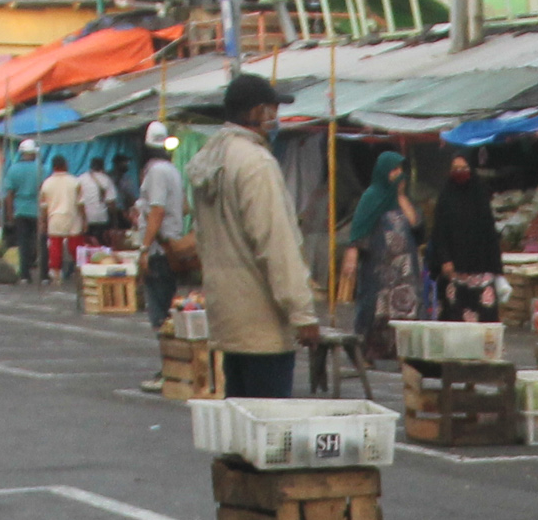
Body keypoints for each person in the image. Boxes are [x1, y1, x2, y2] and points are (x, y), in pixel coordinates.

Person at [193, 70, 319, 399]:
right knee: (269, 433)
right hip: (262, 323)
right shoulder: (256, 164)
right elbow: (277, 243)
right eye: (271, 109)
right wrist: (302, 311)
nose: (276, 117)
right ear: (254, 113)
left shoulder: (210, 157)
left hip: (227, 318)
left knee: (240, 430)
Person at [338, 148, 420, 366]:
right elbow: (359, 229)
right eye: (393, 170)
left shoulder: (404, 200)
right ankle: (361, 352)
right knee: (373, 308)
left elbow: (416, 226)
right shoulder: (371, 197)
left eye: (400, 170)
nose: (397, 174)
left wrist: (401, 196)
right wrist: (353, 253)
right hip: (379, 266)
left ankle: (402, 354)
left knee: (404, 309)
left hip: (403, 269)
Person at [129, 131, 189, 389]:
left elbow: (157, 210)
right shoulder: (173, 170)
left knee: (160, 314)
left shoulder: (154, 173)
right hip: (173, 246)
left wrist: (144, 247)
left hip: (159, 249)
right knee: (168, 309)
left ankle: (168, 370)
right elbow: (185, 207)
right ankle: (171, 368)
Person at [424, 152, 504, 323]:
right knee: (455, 317)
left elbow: (489, 232)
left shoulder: (480, 195)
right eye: (455, 169)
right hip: (454, 272)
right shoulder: (445, 198)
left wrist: (497, 270)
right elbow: (439, 232)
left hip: (481, 270)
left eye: (464, 168)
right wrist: (444, 259)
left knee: (485, 319)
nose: (460, 172)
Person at [3, 146, 46, 284]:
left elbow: (9, 195)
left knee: (23, 242)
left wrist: (10, 214)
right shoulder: (41, 169)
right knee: (41, 242)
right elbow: (44, 192)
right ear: (33, 153)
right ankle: (44, 275)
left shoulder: (13, 169)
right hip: (38, 211)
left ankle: (24, 275)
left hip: (20, 211)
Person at [41, 157, 83, 280]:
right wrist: (84, 219)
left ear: (53, 167)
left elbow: (44, 206)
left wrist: (43, 221)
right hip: (73, 216)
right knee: (76, 245)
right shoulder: (75, 181)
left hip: (55, 218)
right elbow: (81, 203)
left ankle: (55, 273)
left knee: (55, 245)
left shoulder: (47, 183)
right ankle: (80, 269)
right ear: (66, 165)